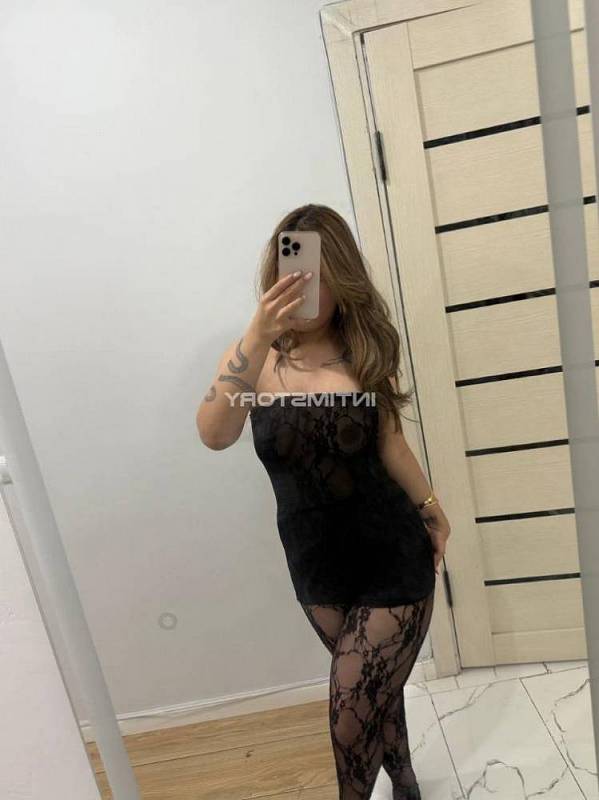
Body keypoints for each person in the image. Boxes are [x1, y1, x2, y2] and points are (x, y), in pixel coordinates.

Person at [196, 204, 451, 799]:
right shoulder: (253, 361)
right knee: (373, 691)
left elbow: (391, 444)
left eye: (320, 275)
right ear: (275, 274)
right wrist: (258, 334)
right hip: (317, 567)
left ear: (343, 279)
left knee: (350, 713)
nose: (305, 287)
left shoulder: (364, 354)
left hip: (392, 555)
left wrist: (431, 508)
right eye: (294, 271)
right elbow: (214, 434)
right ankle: (406, 781)